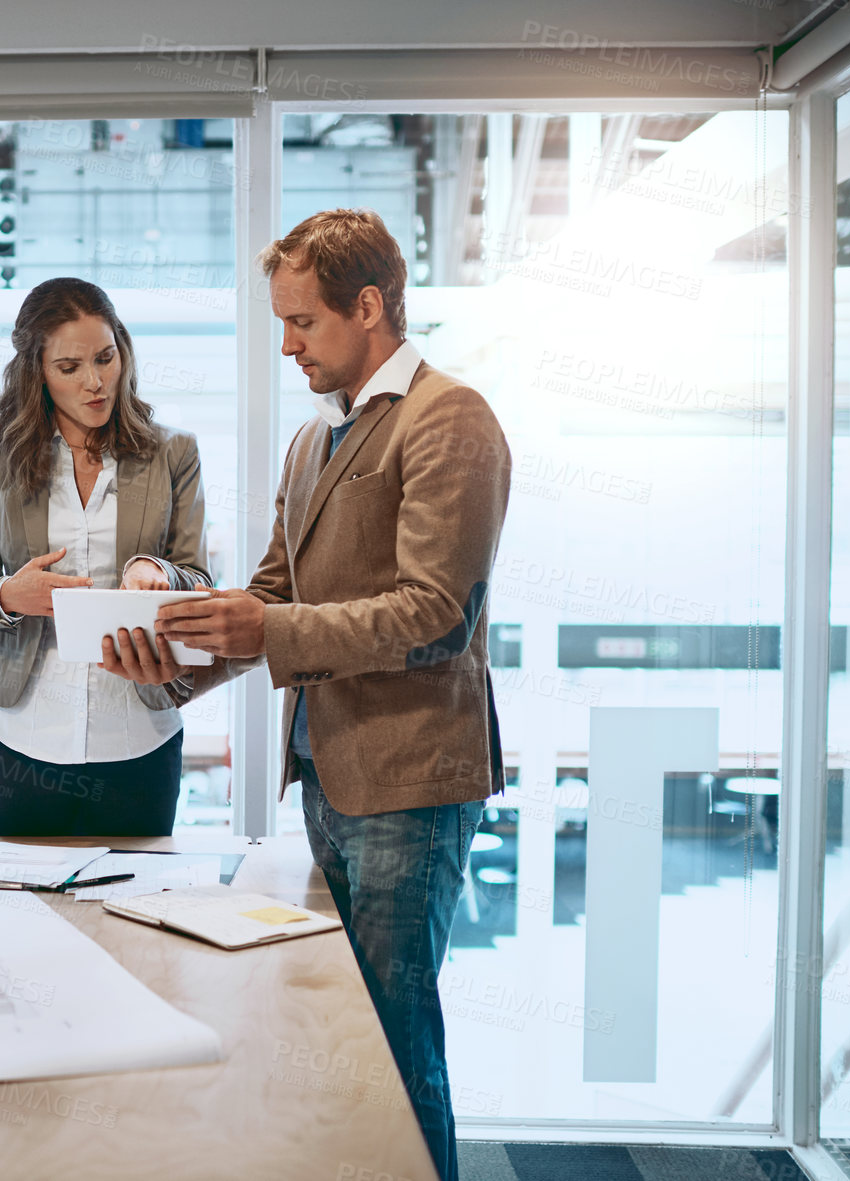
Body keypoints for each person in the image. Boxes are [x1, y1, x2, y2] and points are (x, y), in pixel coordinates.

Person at [101, 209, 510, 1181]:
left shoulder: (450, 417)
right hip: (329, 770)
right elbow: (277, 595)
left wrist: (265, 629)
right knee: (351, 1029)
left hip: (410, 778)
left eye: (303, 323)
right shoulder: (310, 439)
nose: (286, 344)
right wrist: (181, 662)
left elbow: (433, 613)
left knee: (398, 1041)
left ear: (369, 307)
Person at [0, 277, 210, 837]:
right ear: (36, 372)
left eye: (105, 358)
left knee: (132, 910)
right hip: (23, 739)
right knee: (26, 914)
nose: (95, 382)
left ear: (123, 351)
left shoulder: (174, 453)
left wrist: (157, 572)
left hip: (139, 732)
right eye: (69, 367)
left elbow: (198, 577)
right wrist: (8, 596)